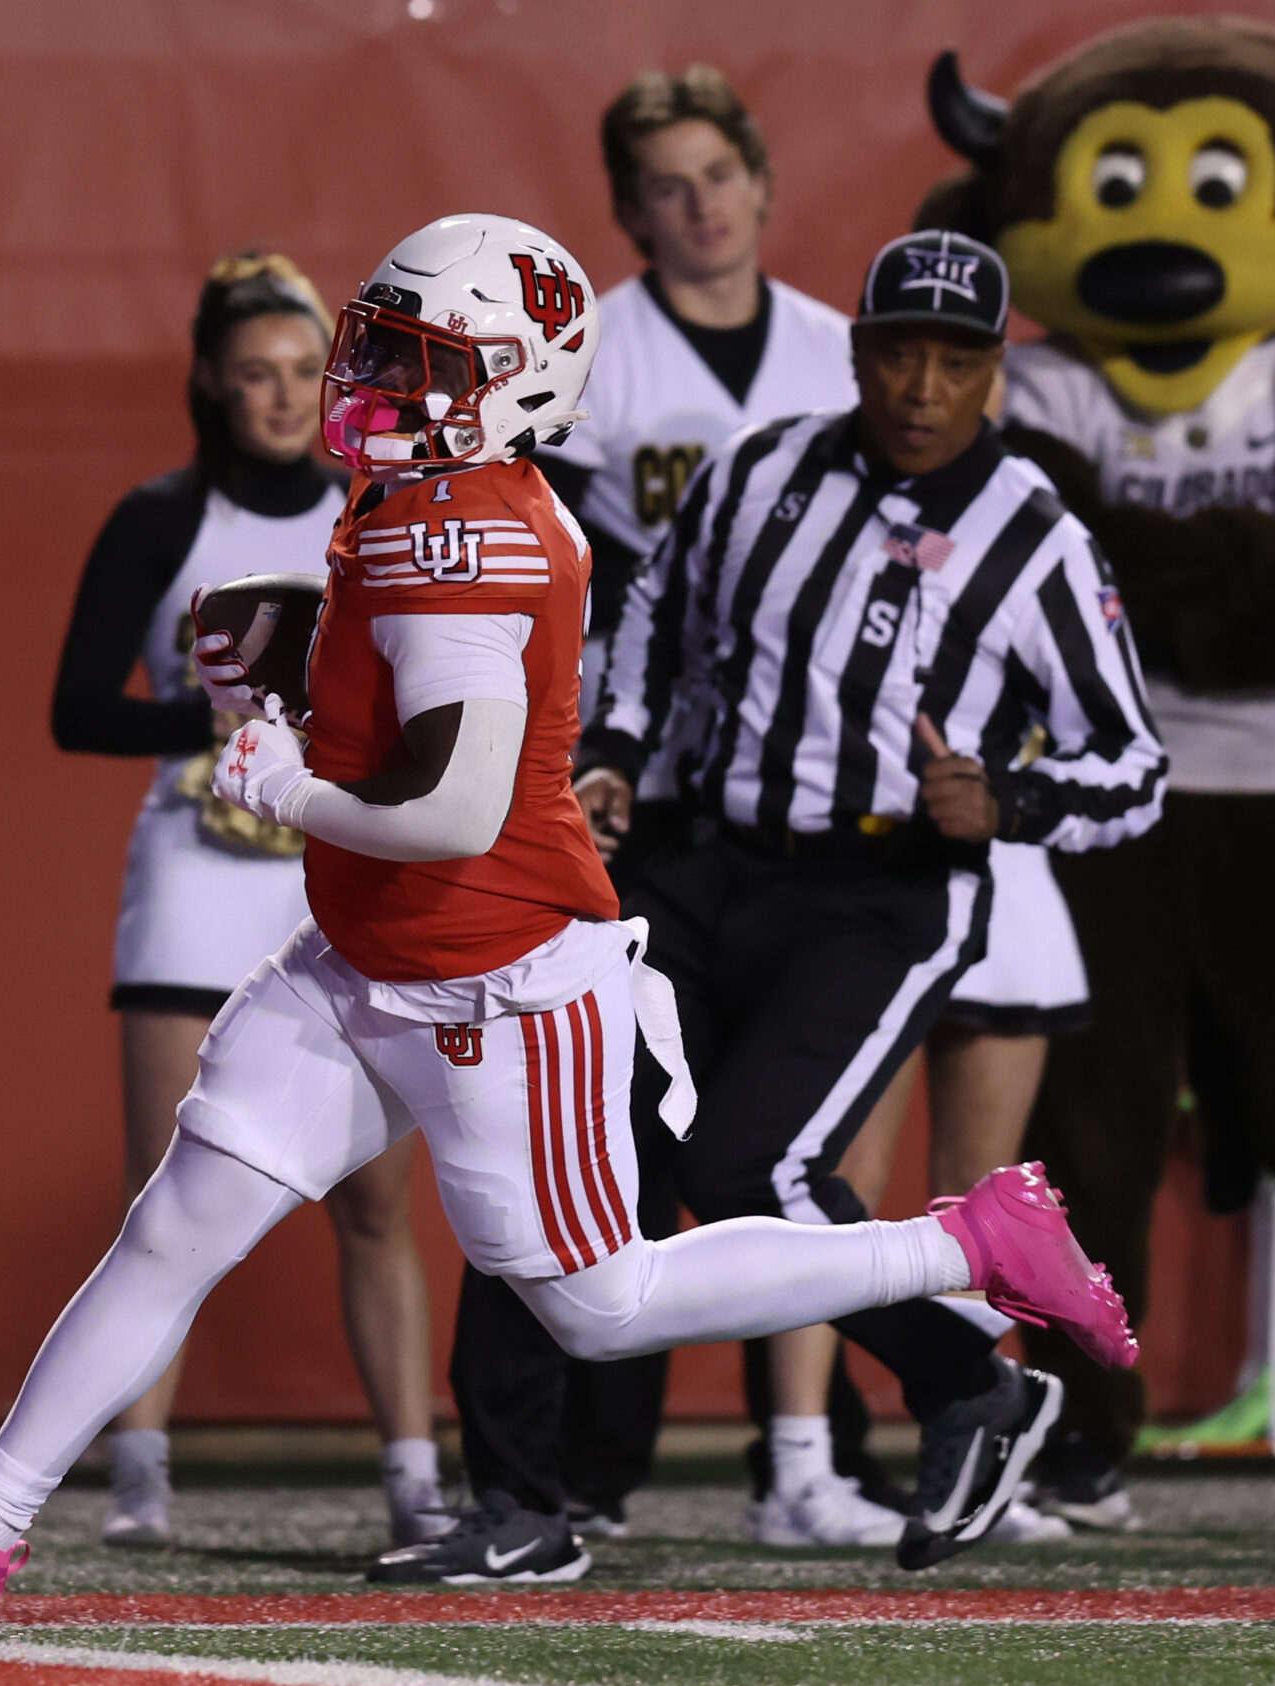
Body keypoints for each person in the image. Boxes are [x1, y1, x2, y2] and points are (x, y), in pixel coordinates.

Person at [0, 214, 1137, 1637]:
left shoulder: (466, 534)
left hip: (495, 974)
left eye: (413, 358)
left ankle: (965, 1247)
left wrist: (290, 781)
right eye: (382, 340)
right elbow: (431, 674)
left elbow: (459, 812)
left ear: (515, 381)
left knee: (601, 1307)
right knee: (177, 1224)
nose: (372, 376)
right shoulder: (437, 492)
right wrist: (314, 632)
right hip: (371, 956)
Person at [575, 229, 1163, 1570]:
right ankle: (528, 1496)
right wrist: (614, 751)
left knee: (754, 1167)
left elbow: (1132, 765)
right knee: (601, 1166)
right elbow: (654, 619)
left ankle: (972, 1386)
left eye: (955, 360)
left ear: (995, 377)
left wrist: (1009, 805)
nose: (920, 383)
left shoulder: (1039, 540)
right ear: (856, 351)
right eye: (900, 348)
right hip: (705, 862)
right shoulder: (760, 470)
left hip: (881, 888)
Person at [446, 60, 879, 1564]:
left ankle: (813, 1451)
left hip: (795, 798)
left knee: (770, 1135)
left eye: (718, 175)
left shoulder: (844, 354)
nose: (699, 207)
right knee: (591, 1123)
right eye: (666, 186)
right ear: (626, 214)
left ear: (761, 182)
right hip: (627, 788)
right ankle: (558, 1466)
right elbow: (552, 555)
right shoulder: (595, 360)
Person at [49, 253, 445, 1549]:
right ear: (214, 386)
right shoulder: (164, 516)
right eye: (256, 375)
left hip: (341, 875)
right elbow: (73, 710)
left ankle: (411, 1474)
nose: (282, 397)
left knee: (380, 1197)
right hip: (196, 872)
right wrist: (230, 718)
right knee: (167, 1180)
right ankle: (140, 1468)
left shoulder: (382, 509)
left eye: (301, 372)